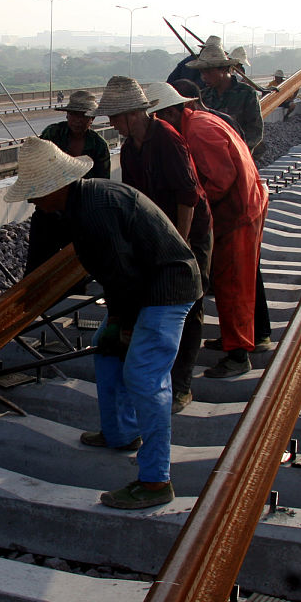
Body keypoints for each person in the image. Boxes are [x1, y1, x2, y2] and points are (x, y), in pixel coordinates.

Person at [4, 133, 200, 509]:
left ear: (55, 186)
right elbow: (114, 273)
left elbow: (125, 274)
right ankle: (121, 433)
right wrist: (116, 323)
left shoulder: (94, 208)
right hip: (142, 287)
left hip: (167, 287)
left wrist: (125, 324)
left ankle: (157, 481)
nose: (32, 200)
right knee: (108, 355)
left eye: (35, 192)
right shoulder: (80, 203)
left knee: (144, 375)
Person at [92, 77, 211, 413]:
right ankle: (158, 376)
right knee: (156, 296)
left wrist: (181, 245)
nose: (113, 125)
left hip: (191, 230)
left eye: (115, 118)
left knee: (190, 300)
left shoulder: (167, 140)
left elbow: (187, 197)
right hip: (158, 231)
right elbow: (136, 200)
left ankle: (182, 386)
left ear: (132, 114)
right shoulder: (130, 150)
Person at [151, 82, 269, 377]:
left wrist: (190, 209)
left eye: (158, 117)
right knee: (233, 279)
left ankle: (238, 355)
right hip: (241, 206)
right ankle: (237, 340)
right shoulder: (198, 122)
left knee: (233, 284)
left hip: (237, 212)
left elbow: (219, 181)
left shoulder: (199, 131)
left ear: (171, 111)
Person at [25, 89, 112, 273]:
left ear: (92, 119)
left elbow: (101, 186)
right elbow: (34, 167)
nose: (78, 121)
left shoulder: (98, 146)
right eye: (74, 115)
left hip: (79, 219)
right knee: (37, 267)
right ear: (67, 115)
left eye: (84, 116)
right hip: (47, 213)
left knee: (75, 271)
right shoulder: (52, 134)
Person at [192, 42, 264, 153]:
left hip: (238, 155)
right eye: (202, 73)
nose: (204, 77)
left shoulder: (247, 94)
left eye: (209, 72)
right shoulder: (203, 96)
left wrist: (236, 150)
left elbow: (255, 131)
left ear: (224, 69)